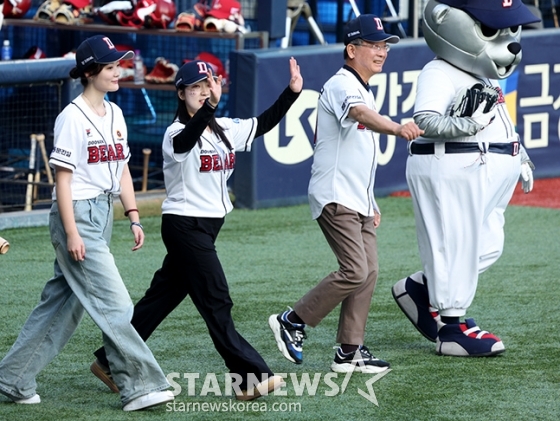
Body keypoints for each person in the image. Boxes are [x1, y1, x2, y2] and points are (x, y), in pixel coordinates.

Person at [90, 57, 303, 400]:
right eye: (196, 87)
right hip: (184, 226)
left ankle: (108, 359)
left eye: (208, 85)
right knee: (216, 298)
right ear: (181, 93)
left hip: (208, 228)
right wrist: (210, 109)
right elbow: (185, 142)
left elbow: (262, 123)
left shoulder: (223, 128)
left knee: (159, 300)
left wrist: (292, 93)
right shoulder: (175, 132)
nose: (204, 92)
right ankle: (249, 378)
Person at [0, 35, 174, 411]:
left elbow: (124, 170)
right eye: (111, 67)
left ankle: (12, 378)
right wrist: (73, 232)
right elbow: (62, 182)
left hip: (103, 213)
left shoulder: (115, 112)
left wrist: (133, 216)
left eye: (118, 66)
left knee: (62, 305)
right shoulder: (71, 117)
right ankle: (140, 386)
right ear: (91, 71)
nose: (118, 72)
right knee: (116, 304)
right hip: (75, 216)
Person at [268, 14, 424, 373]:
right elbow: (360, 114)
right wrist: (398, 127)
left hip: (358, 200)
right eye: (374, 44)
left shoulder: (361, 87)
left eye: (385, 45)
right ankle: (293, 319)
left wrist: (370, 202)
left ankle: (349, 350)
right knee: (355, 269)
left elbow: (357, 152)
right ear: (352, 49)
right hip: (335, 196)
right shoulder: (342, 84)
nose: (382, 51)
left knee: (368, 271)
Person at [391, 0, 539, 357]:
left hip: (482, 171)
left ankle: (420, 289)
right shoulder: (439, 70)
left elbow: (500, 122)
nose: (507, 41)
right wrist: (466, 125)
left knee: (487, 244)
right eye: (490, 30)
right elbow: (424, 119)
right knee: (457, 244)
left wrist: (520, 155)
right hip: (450, 168)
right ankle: (452, 329)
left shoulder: (483, 74)